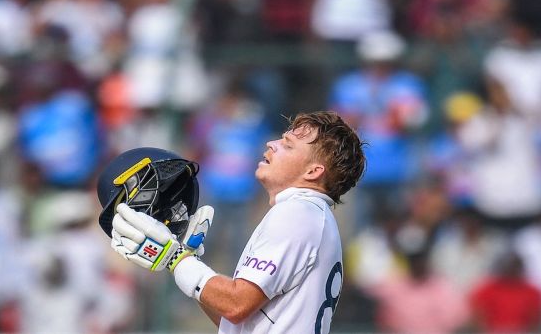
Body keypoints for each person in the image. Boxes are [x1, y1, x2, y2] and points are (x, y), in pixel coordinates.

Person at [108, 111, 366, 333]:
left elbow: (235, 305)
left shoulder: (297, 214)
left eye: (287, 145)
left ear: (313, 171)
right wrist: (188, 262)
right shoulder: (308, 214)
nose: (271, 143)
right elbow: (234, 322)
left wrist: (173, 257)